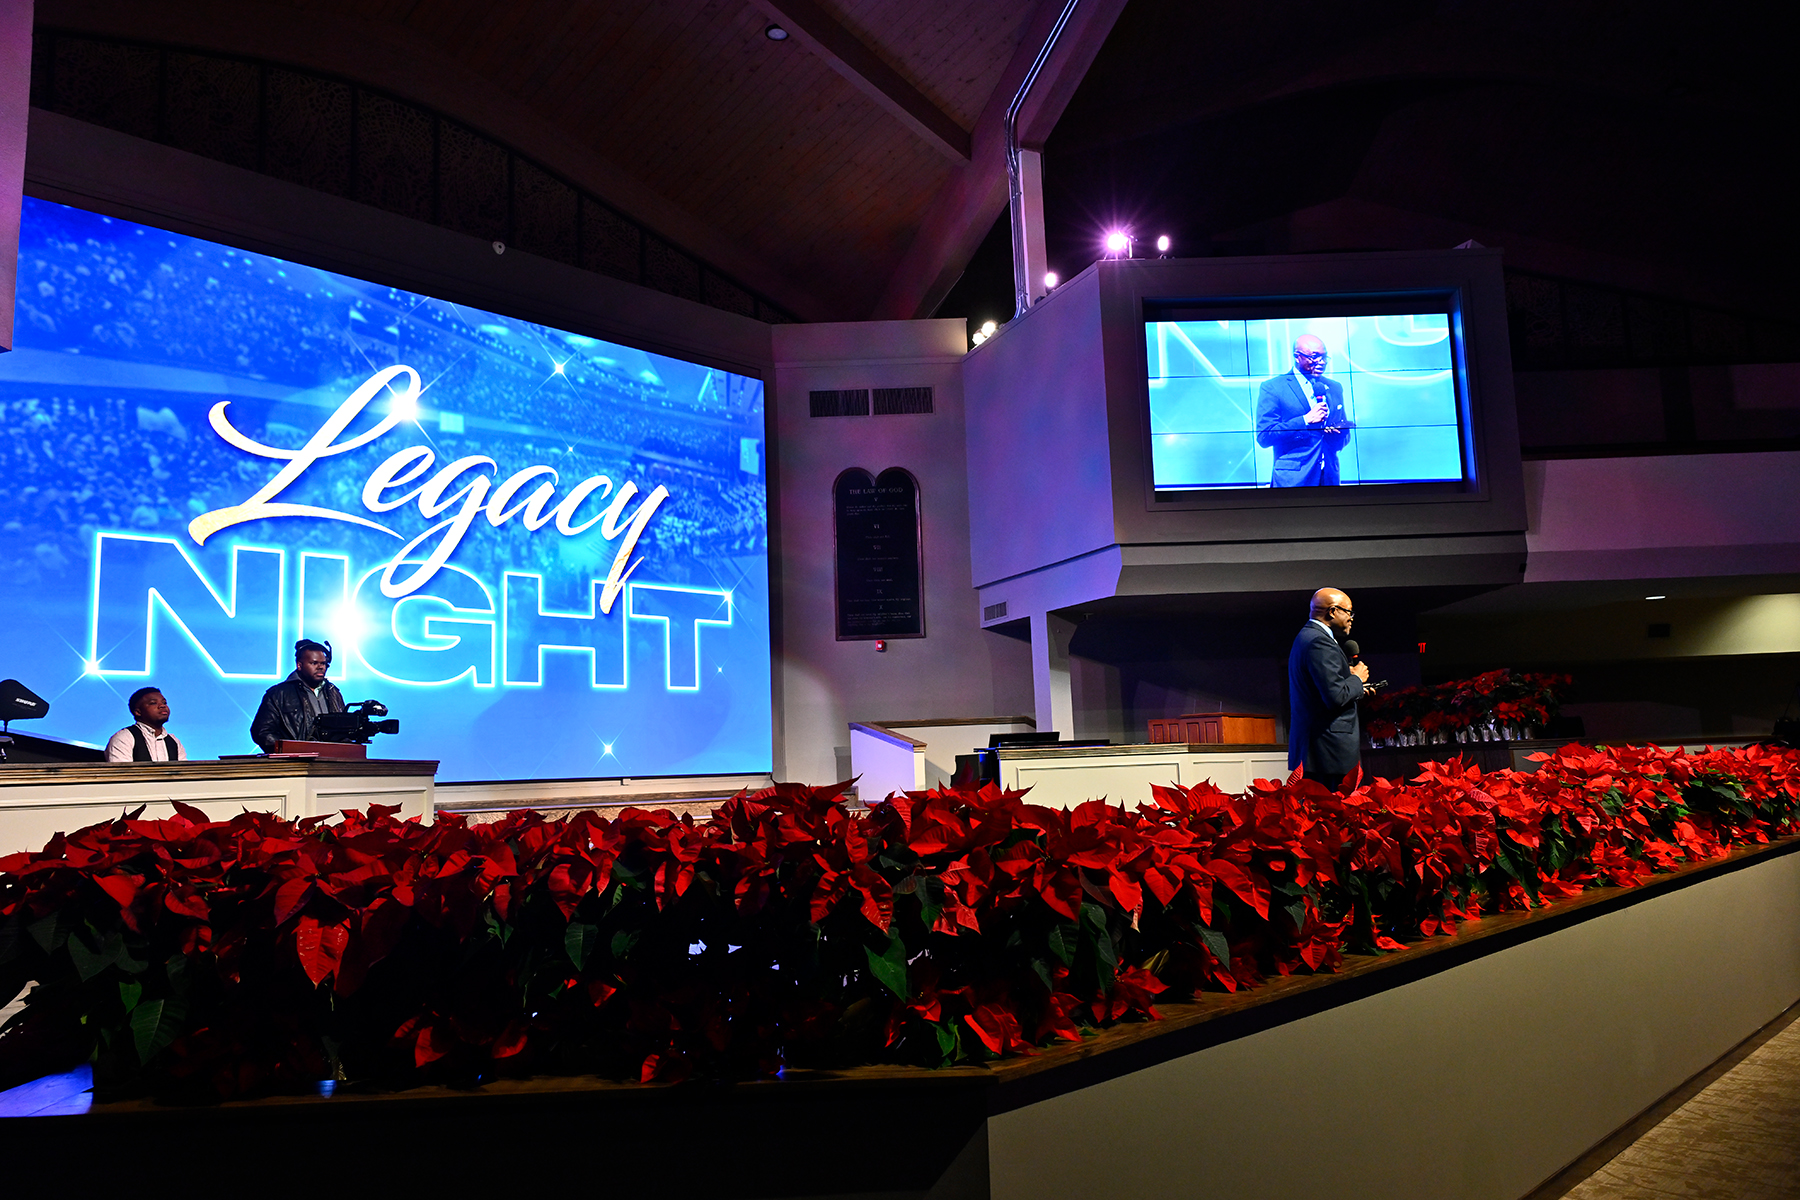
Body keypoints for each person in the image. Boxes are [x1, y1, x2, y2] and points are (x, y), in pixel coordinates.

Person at [1287, 588, 1369, 790]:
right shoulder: (1319, 642)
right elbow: (1335, 696)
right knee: (1335, 817)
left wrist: (1351, 683)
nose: (1351, 618)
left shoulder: (1306, 637)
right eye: (1348, 612)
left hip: (1319, 750)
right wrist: (1357, 679)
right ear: (1332, 611)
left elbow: (1323, 689)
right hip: (1328, 752)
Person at [1255, 334, 1353, 487]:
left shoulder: (1334, 387)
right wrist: (1305, 420)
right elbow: (1264, 436)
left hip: (1329, 477)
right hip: (1293, 479)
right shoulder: (1274, 387)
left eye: (1325, 357)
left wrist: (1339, 435)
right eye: (1315, 356)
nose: (1321, 362)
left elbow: (1343, 440)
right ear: (1297, 356)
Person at [251, 639, 347, 751]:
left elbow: (343, 731)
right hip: (296, 765)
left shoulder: (333, 692)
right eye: (314, 663)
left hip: (331, 763)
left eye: (323, 663)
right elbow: (262, 732)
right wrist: (292, 751)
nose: (320, 667)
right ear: (299, 665)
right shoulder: (279, 694)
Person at [104, 686, 186, 762]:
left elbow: (185, 773)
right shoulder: (124, 738)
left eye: (164, 702)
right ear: (138, 712)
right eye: (153, 703)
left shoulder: (174, 741)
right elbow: (122, 775)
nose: (162, 706)